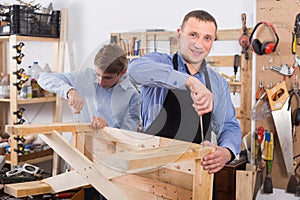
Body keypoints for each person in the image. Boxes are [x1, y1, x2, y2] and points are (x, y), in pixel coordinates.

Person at [127, 10, 242, 199]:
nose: (199, 44)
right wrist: (189, 81)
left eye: (207, 38)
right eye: (193, 35)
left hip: (196, 176)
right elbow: (134, 70)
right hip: (152, 175)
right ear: (179, 34)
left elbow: (230, 126)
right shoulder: (158, 62)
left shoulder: (218, 83)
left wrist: (226, 152)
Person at [38, 43, 141, 200]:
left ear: (122, 72)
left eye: (107, 77)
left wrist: (108, 129)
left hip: (110, 165)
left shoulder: (132, 95)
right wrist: (69, 91)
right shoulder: (85, 76)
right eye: (98, 75)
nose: (100, 81)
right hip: (79, 158)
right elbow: (43, 78)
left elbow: (129, 136)